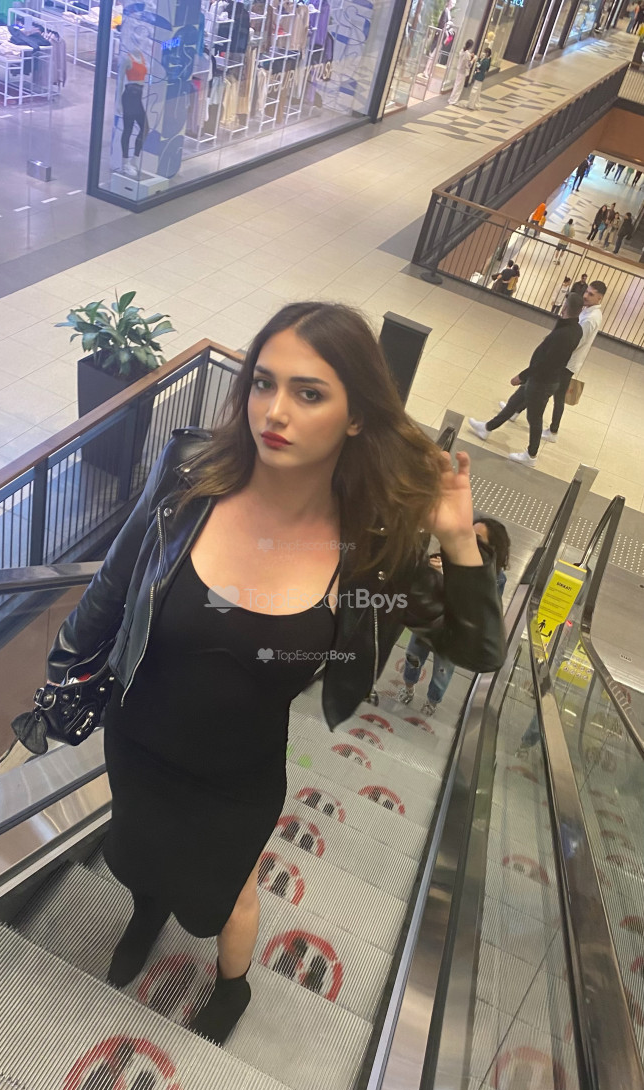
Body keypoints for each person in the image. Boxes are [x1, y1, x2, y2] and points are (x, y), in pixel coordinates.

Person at [45, 301, 506, 1045]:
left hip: (238, 775)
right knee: (140, 854)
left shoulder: (372, 550)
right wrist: (62, 676)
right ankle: (146, 912)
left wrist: (457, 542)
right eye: (263, 383)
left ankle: (232, 987)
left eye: (309, 393)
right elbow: (112, 585)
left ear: (357, 417)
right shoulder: (191, 476)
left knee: (228, 893)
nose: (275, 411)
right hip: (139, 738)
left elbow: (478, 650)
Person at [398, 517, 511, 713]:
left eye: (477, 538)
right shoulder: (449, 556)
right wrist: (433, 574)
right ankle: (408, 688)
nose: (469, 541)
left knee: (442, 672)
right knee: (413, 658)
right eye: (468, 534)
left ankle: (432, 702)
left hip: (456, 634)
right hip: (430, 624)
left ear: (492, 548)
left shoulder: (496, 579)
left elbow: (484, 613)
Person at [468, 292, 583, 467]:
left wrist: (522, 376)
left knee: (534, 418)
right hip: (543, 379)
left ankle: (531, 455)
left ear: (565, 307)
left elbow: (545, 362)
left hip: (542, 382)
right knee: (514, 402)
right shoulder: (576, 329)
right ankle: (487, 428)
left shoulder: (563, 334)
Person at [543, 281, 607, 443]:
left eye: (591, 294)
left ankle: (553, 431)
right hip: (567, 360)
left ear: (599, 298)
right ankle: (515, 409)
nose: (585, 296)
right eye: (586, 292)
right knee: (544, 388)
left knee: (553, 393)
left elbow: (576, 341)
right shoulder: (588, 311)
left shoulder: (591, 319)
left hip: (567, 362)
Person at [448, 38, 474, 106]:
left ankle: (451, 99)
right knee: (459, 87)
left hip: (459, 70)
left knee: (456, 85)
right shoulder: (467, 54)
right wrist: (472, 60)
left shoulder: (462, 51)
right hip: (463, 72)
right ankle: (454, 100)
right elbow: (468, 65)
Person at [467, 44, 491, 110]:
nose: (483, 53)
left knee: (474, 91)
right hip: (479, 76)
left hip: (479, 77)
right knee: (477, 91)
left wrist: (477, 60)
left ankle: (471, 105)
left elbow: (479, 66)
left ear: (487, 53)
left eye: (484, 52)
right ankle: (473, 103)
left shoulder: (486, 61)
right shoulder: (485, 60)